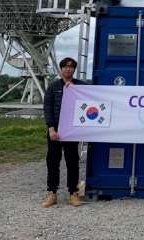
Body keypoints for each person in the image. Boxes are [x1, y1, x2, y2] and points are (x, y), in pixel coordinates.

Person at [42, 57, 87, 208]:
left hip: (71, 132)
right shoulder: (53, 87)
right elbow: (47, 108)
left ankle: (73, 194)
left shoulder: (80, 86)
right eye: (65, 67)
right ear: (61, 69)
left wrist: (74, 89)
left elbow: (91, 99)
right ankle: (51, 193)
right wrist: (51, 128)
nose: (68, 69)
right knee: (53, 163)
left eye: (71, 67)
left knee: (72, 162)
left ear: (74, 69)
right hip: (55, 131)